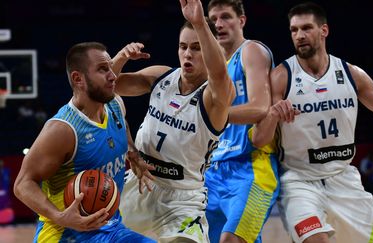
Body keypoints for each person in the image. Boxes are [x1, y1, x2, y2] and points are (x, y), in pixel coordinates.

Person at [252, 2, 373, 243]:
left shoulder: (350, 74)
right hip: (299, 181)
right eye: (294, 30)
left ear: (324, 30)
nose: (300, 35)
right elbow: (259, 139)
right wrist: (273, 114)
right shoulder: (282, 76)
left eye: (306, 28)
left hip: (343, 178)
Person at [114, 0, 235, 242]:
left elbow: (220, 75)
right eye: (183, 46)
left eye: (197, 47)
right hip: (139, 184)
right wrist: (120, 57)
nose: (188, 53)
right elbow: (107, 87)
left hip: (182, 199)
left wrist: (200, 23)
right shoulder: (161, 76)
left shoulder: (214, 98)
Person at [13, 42, 155, 242]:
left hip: (111, 229)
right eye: (102, 69)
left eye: (110, 68)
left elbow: (122, 127)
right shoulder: (62, 130)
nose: (113, 76)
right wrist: (60, 217)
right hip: (66, 235)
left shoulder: (115, 105)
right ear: (78, 79)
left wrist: (133, 154)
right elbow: (22, 184)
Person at [204, 1, 278, 242]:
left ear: (242, 21)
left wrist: (211, 115)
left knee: (231, 240)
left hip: (252, 167)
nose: (219, 24)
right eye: (213, 19)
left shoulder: (251, 50)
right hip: (213, 170)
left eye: (226, 17)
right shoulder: (213, 68)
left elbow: (260, 107)